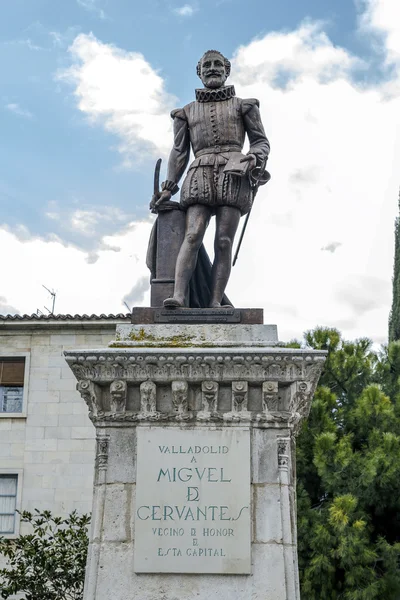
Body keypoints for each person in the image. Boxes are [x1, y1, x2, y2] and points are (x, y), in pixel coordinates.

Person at [151, 49, 270, 308]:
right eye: (207, 65)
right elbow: (179, 151)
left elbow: (261, 143)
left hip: (234, 173)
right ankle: (179, 296)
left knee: (224, 241)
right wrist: (168, 188)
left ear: (227, 70)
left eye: (218, 64)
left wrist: (252, 158)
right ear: (199, 71)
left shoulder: (245, 106)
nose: (213, 68)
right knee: (192, 234)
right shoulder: (185, 112)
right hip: (199, 173)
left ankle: (215, 301)